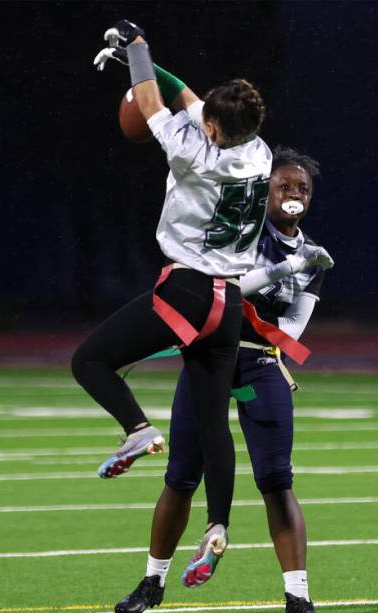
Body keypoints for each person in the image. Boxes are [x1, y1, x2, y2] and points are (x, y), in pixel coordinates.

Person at [71, 19, 273, 548]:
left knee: (89, 361)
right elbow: (184, 94)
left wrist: (136, 46)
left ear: (211, 127)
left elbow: (150, 99)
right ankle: (218, 527)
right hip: (229, 302)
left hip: (188, 291)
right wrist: (137, 57)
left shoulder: (191, 152)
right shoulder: (260, 153)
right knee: (213, 425)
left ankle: (138, 430)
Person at [113, 146, 331, 613]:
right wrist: (285, 270)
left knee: (276, 479)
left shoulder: (312, 254)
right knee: (180, 475)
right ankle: (152, 581)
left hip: (257, 366)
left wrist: (294, 277)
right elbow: (231, 289)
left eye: (303, 189)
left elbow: (294, 324)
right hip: (211, 359)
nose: (294, 193)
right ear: (266, 189)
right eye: (285, 185)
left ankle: (299, 599)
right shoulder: (243, 230)